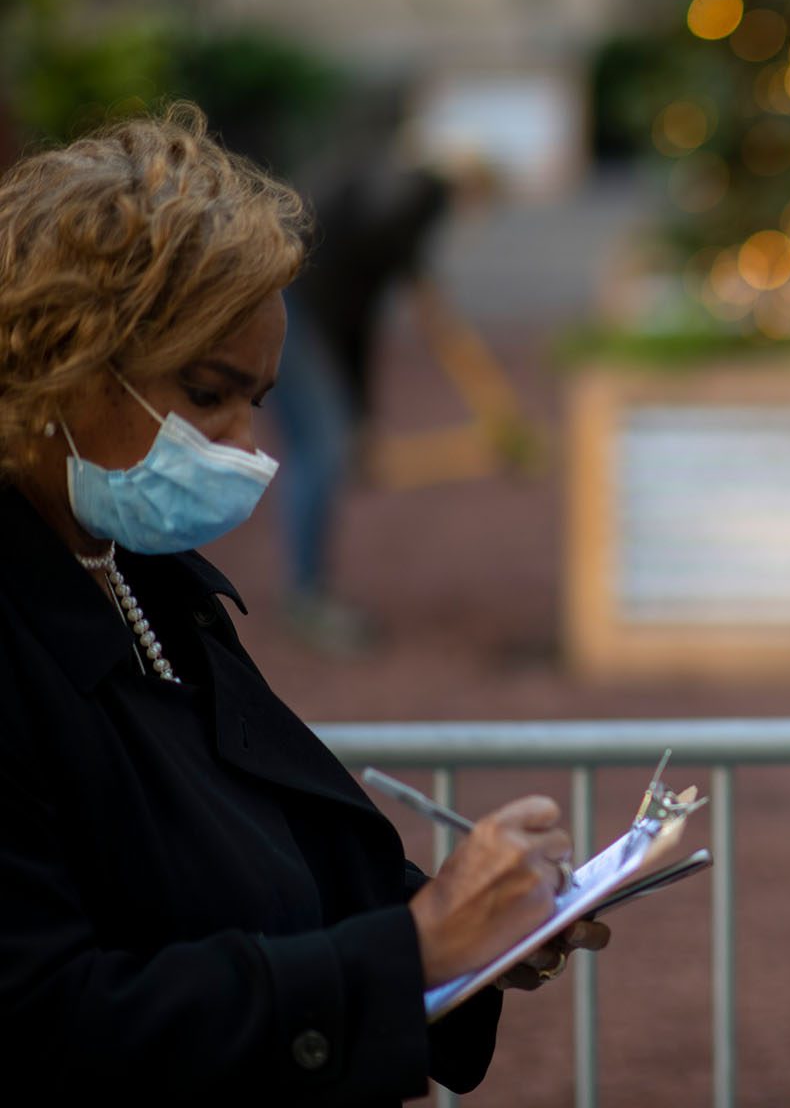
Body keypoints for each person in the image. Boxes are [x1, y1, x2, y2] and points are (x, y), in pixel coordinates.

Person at [0, 105, 603, 1104]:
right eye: (206, 393)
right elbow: (52, 1020)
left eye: (259, 401)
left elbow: (270, 861)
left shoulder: (145, 576)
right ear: (59, 359)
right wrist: (410, 950)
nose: (245, 444)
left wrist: (476, 929)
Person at [270, 129, 494, 653]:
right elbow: (356, 312)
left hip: (292, 303)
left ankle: (306, 589)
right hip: (294, 309)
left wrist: (361, 410)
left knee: (318, 450)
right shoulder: (421, 195)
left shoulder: (396, 190)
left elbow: (358, 313)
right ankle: (306, 597)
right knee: (321, 452)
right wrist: (355, 412)